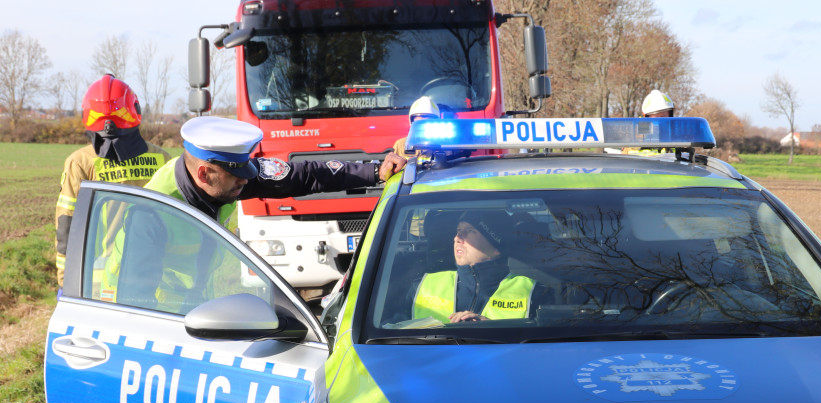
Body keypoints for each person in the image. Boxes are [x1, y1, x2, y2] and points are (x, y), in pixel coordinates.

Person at [102, 116, 407, 309]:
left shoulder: (226, 178)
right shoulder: (152, 213)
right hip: (153, 321)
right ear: (205, 175)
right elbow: (132, 305)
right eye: (238, 177)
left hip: (193, 309)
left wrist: (374, 172)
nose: (247, 181)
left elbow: (304, 175)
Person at [55, 75, 171, 288]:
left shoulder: (80, 163)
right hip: (152, 278)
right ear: (134, 110)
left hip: (97, 284)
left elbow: (67, 226)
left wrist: (66, 282)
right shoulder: (161, 158)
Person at [412, 210, 537, 323]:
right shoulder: (421, 287)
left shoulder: (534, 292)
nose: (457, 238)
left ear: (497, 248)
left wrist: (490, 328)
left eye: (470, 231)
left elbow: (543, 344)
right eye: (458, 231)